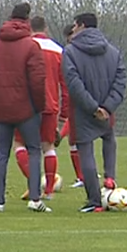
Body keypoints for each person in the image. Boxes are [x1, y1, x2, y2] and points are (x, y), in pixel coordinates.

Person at [0, 3, 49, 213]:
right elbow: (38, 81)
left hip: (2, 109)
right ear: (27, 21)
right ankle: (35, 199)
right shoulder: (31, 46)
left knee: (2, 153)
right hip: (27, 109)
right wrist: (38, 107)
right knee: (34, 151)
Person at [63, 13, 126, 213]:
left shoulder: (71, 51)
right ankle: (110, 178)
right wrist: (107, 107)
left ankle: (94, 200)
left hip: (83, 111)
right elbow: (120, 81)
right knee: (109, 139)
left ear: (81, 25)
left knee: (85, 150)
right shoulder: (113, 52)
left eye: (75, 25)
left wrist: (92, 107)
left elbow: (74, 84)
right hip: (108, 110)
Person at [12, 16, 69, 200]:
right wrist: (64, 114)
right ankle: (49, 191)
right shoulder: (58, 50)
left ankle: (33, 182)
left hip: (27, 106)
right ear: (46, 28)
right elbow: (65, 84)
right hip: (50, 105)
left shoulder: (23, 47)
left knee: (20, 144)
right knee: (48, 146)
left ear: (29, 28)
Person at [58, 25, 85, 188]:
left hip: (79, 96)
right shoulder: (71, 51)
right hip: (75, 95)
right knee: (75, 139)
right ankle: (82, 176)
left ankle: (83, 177)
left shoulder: (72, 52)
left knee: (76, 138)